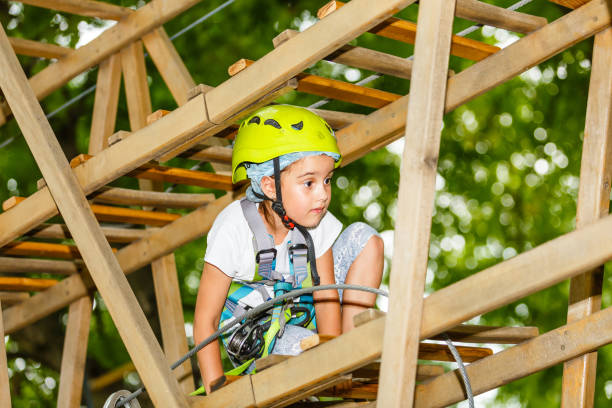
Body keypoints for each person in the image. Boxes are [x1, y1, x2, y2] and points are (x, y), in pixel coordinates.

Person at [193, 105, 383, 394]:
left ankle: (350, 347)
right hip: (263, 340)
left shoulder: (318, 223)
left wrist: (335, 353)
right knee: (305, 354)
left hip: (304, 318)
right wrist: (215, 389)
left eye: (327, 180)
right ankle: (326, 357)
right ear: (269, 186)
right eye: (309, 182)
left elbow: (326, 293)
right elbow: (205, 320)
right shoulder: (233, 230)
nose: (323, 193)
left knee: (365, 238)